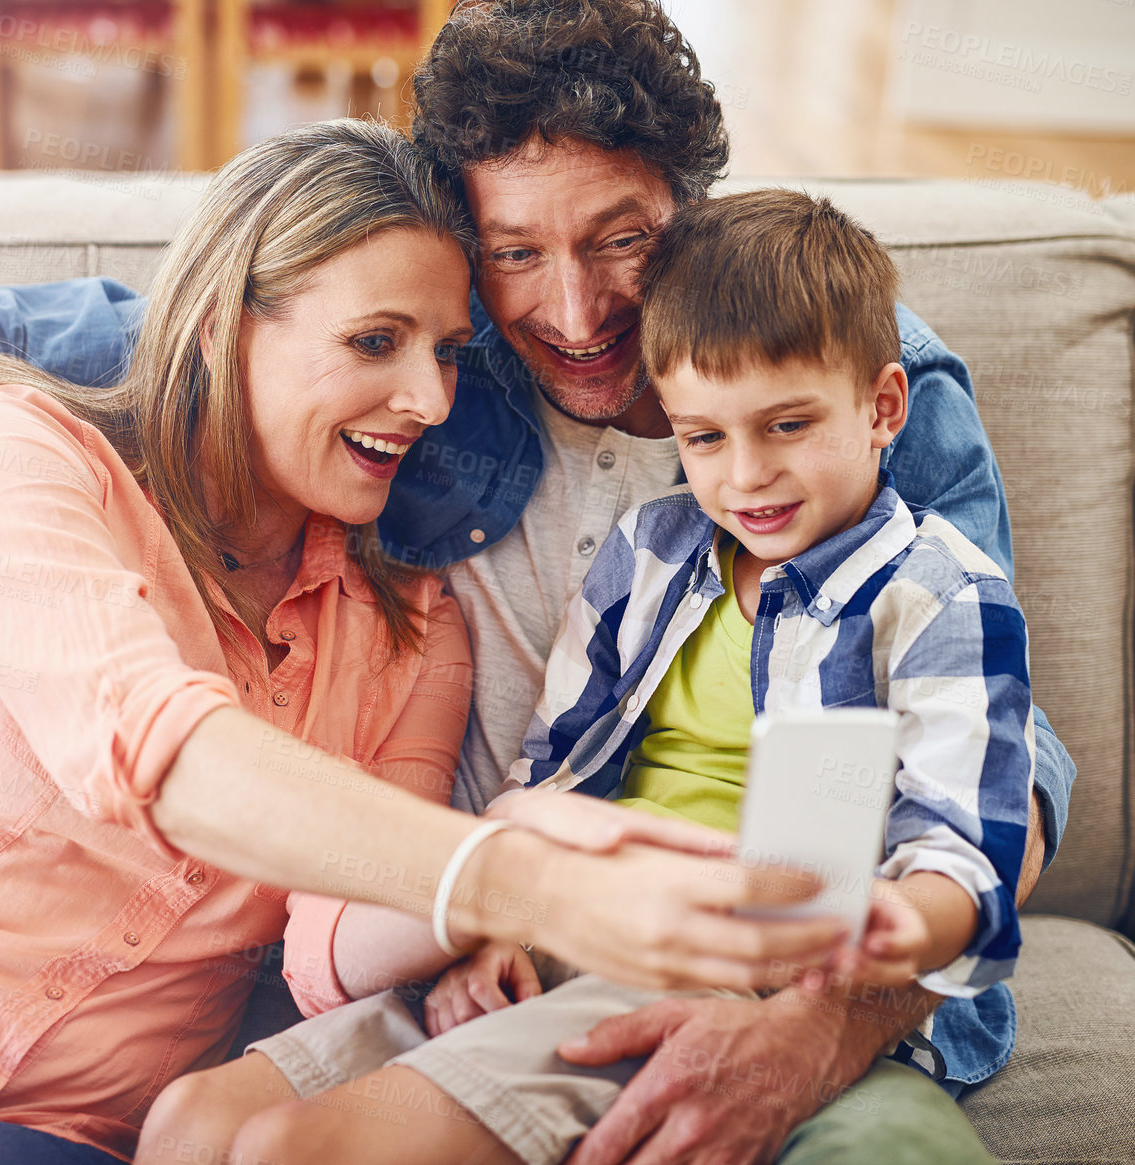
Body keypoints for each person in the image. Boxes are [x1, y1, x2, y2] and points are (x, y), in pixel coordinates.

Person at [0, 0, 1077, 1158]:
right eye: (512, 257)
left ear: (685, 213)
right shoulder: (411, 390)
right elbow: (54, 324)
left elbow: (1000, 763)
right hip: (450, 948)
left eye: (621, 243)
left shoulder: (858, 384)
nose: (571, 315)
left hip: (782, 952)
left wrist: (815, 1018)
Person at [136, 188, 1030, 1165]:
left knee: (293, 1150)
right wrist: (496, 935)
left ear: (883, 408)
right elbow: (550, 774)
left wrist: (900, 921)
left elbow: (969, 842)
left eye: (786, 426)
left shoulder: (938, 595)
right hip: (565, 920)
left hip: (711, 958)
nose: (745, 476)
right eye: (703, 437)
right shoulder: (650, 551)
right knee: (191, 1121)